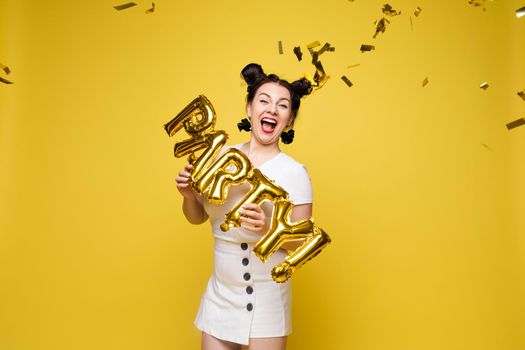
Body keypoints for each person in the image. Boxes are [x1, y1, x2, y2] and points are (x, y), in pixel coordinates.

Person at [175, 63, 313, 350]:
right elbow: (197, 217)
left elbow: (302, 243)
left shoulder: (294, 173)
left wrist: (267, 227)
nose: (272, 109)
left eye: (282, 105)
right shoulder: (220, 158)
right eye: (264, 100)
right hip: (221, 295)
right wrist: (189, 196)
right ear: (249, 108)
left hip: (267, 297)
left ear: (289, 120)